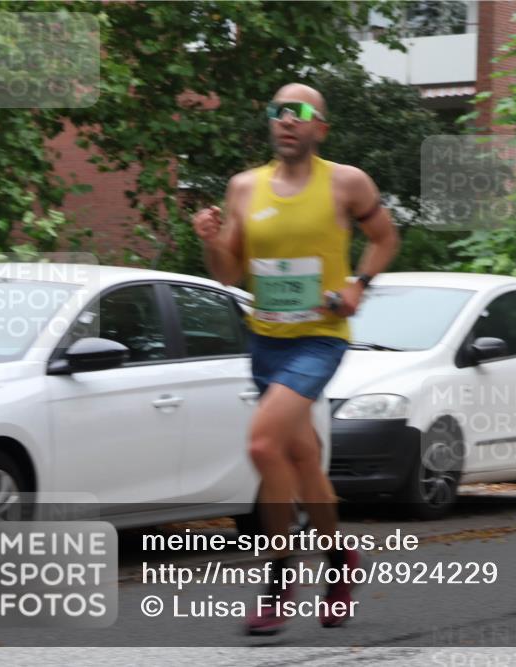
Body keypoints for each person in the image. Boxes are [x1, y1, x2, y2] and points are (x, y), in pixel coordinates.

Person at [191, 83, 399, 635]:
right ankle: (340, 562)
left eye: (299, 112)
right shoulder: (243, 188)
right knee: (304, 461)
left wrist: (360, 284)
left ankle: (280, 581)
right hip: (265, 340)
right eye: (277, 110)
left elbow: (384, 238)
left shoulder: (347, 183)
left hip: (319, 338)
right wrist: (211, 240)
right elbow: (229, 274)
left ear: (319, 128)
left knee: (263, 444)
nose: (286, 119)